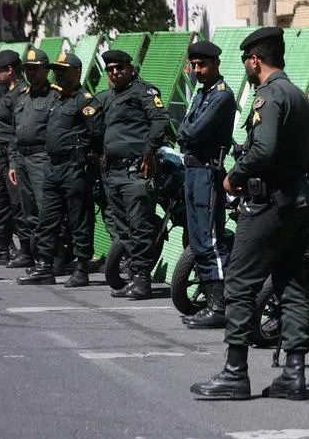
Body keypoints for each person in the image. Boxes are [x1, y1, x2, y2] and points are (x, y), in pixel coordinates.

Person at [191, 27, 309, 401]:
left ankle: (234, 372)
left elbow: (264, 150)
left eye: (247, 61)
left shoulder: (268, 96)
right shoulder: (299, 95)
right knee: (291, 284)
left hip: (269, 203)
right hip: (298, 200)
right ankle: (294, 373)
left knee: (239, 283)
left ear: (254, 60)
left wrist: (235, 176)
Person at [95, 48, 170, 299]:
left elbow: (160, 120)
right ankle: (136, 274)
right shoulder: (108, 97)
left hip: (136, 170)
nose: (115, 73)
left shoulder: (144, 92)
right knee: (123, 229)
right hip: (113, 173)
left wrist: (149, 152)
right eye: (110, 70)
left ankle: (142, 279)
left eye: (120, 68)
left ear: (131, 68)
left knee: (140, 227)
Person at [17, 53, 98, 287]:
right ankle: (45, 265)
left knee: (79, 219)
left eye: (62, 70)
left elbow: (97, 135)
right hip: (53, 167)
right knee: (47, 219)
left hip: (75, 168)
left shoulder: (85, 101)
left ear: (76, 72)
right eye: (56, 71)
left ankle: (81, 268)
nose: (57, 74)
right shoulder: (58, 99)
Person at [178, 40, 236, 329]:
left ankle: (219, 306)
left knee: (210, 240)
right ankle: (211, 301)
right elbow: (185, 131)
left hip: (207, 174)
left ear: (216, 64)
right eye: (194, 65)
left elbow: (194, 132)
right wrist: (186, 133)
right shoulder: (203, 94)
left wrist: (186, 133)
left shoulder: (222, 96)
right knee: (198, 239)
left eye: (202, 65)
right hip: (192, 172)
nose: (197, 70)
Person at [9, 48, 56, 273]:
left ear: (46, 69)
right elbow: (13, 131)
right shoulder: (22, 96)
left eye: (36, 69)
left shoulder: (54, 96)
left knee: (45, 209)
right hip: (22, 158)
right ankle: (34, 255)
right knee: (28, 211)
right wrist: (12, 162)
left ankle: (51, 258)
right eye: (28, 69)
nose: (32, 73)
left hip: (42, 158)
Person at [0, 50, 23, 264]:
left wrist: (12, 158)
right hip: (0, 154)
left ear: (9, 70)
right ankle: (2, 245)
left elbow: (17, 129)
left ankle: (27, 250)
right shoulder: (4, 90)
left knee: (17, 204)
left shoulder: (22, 93)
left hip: (13, 155)